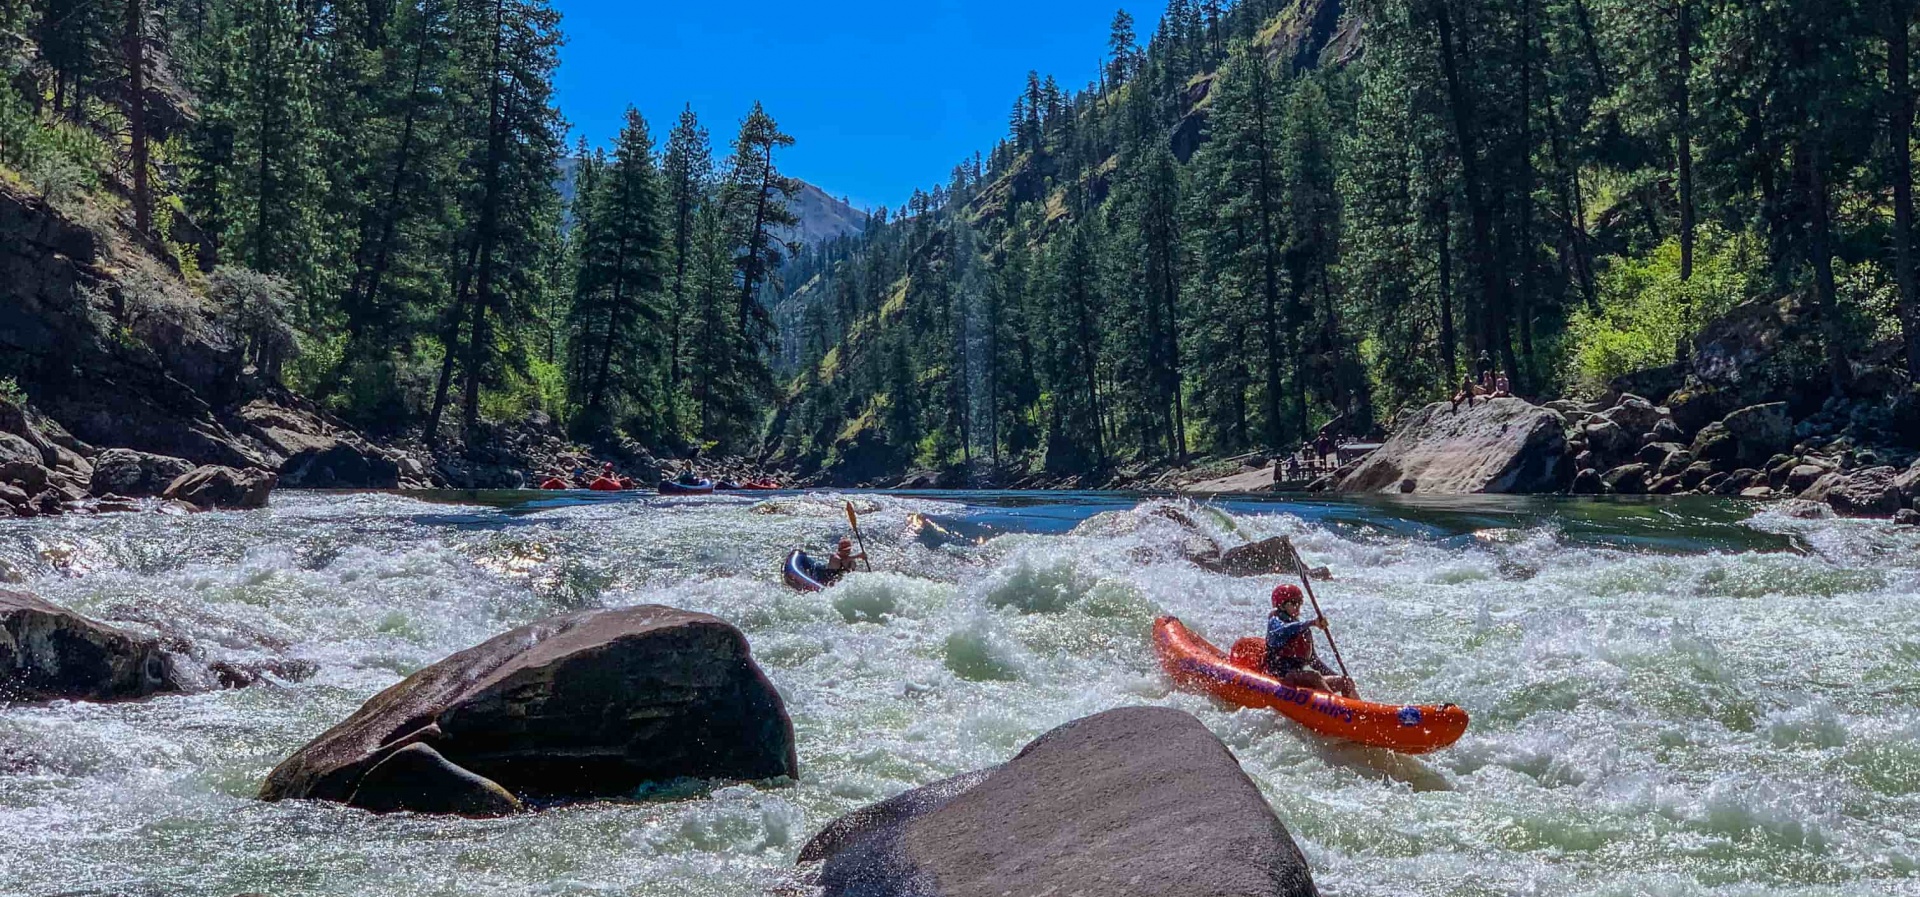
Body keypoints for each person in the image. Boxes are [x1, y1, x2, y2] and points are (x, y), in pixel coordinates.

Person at [1263, 584, 1359, 698]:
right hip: (1281, 677)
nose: (1297, 606)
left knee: (1344, 682)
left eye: (1299, 602)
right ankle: (1338, 709)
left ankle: (1359, 710)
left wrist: (1339, 676)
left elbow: (1314, 661)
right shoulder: (1275, 622)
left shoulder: (1303, 630)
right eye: (1293, 602)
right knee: (1314, 676)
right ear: (1281, 606)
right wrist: (1312, 623)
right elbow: (1283, 631)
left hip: (1299, 679)